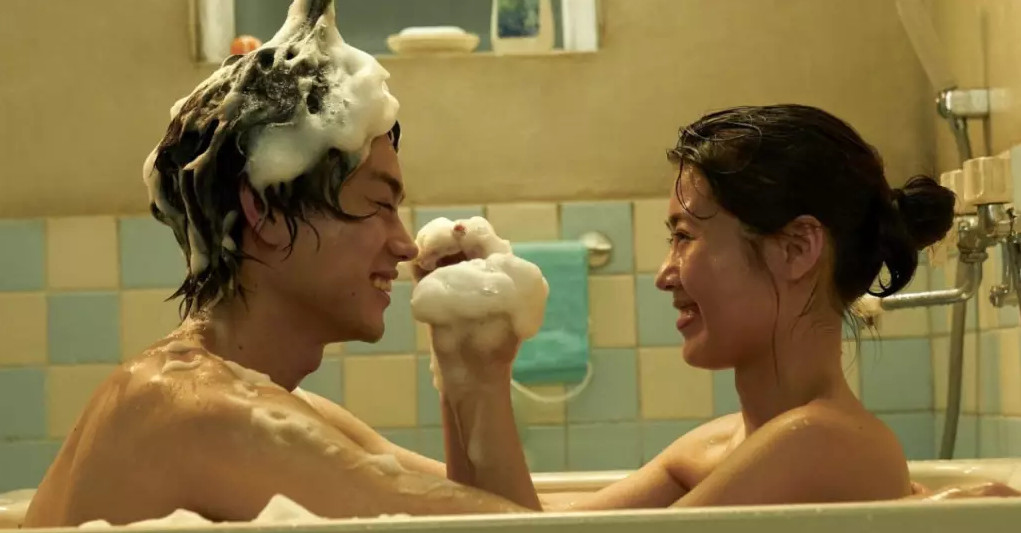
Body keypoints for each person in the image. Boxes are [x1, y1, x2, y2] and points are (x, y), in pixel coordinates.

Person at [420, 104, 1017, 510]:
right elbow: (515, 523)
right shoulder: (724, 444)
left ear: (797, 248)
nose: (664, 274)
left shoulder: (821, 441)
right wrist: (463, 356)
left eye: (684, 236)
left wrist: (481, 374)